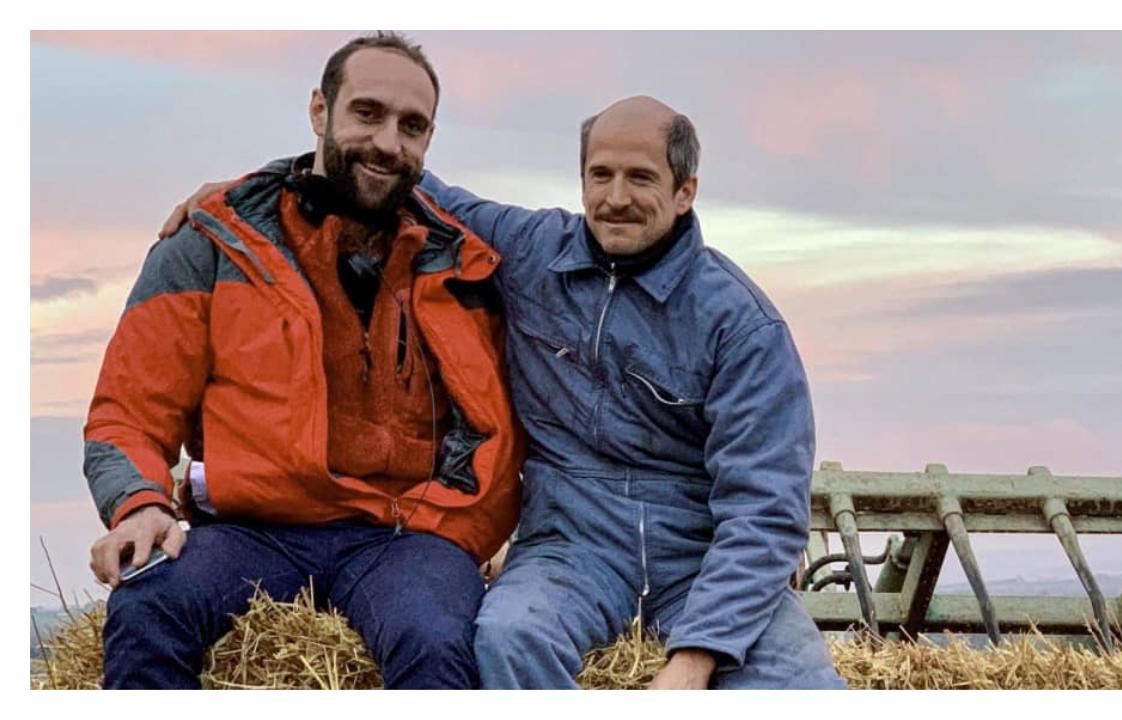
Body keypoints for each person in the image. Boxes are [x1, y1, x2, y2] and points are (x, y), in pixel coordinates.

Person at [166, 96, 843, 690]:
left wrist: (695, 659)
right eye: (600, 174)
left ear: (686, 190)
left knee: (802, 691)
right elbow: (407, 185)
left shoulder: (740, 324)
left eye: (641, 177)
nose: (615, 196)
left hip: (699, 556)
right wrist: (257, 192)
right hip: (570, 546)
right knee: (506, 639)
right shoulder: (533, 250)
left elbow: (765, 509)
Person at [86, 32, 522, 689]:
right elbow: (127, 413)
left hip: (403, 539)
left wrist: (452, 537)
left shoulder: (465, 265)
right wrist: (140, 505)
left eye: (412, 126)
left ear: (429, 141)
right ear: (319, 111)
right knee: (146, 609)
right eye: (367, 113)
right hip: (246, 533)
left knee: (437, 643)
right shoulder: (211, 240)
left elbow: (492, 434)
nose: (387, 142)